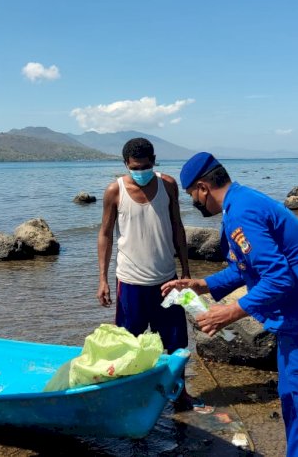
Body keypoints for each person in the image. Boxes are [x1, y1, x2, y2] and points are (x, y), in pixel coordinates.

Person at [163, 152, 298, 456]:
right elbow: (246, 267)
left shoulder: (242, 211)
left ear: (202, 187)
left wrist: (231, 312)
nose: (195, 203)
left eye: (193, 196)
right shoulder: (238, 204)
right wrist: (201, 284)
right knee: (294, 401)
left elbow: (279, 279)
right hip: (295, 323)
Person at [97, 137, 200, 409]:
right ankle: (130, 397)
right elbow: (105, 235)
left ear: (153, 161)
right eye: (134, 167)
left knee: (177, 342)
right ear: (125, 165)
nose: (139, 171)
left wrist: (186, 272)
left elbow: (178, 226)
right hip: (130, 282)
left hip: (167, 279)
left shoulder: (168, 185)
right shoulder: (114, 191)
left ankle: (180, 393)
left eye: (144, 166)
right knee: (128, 343)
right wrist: (102, 280)